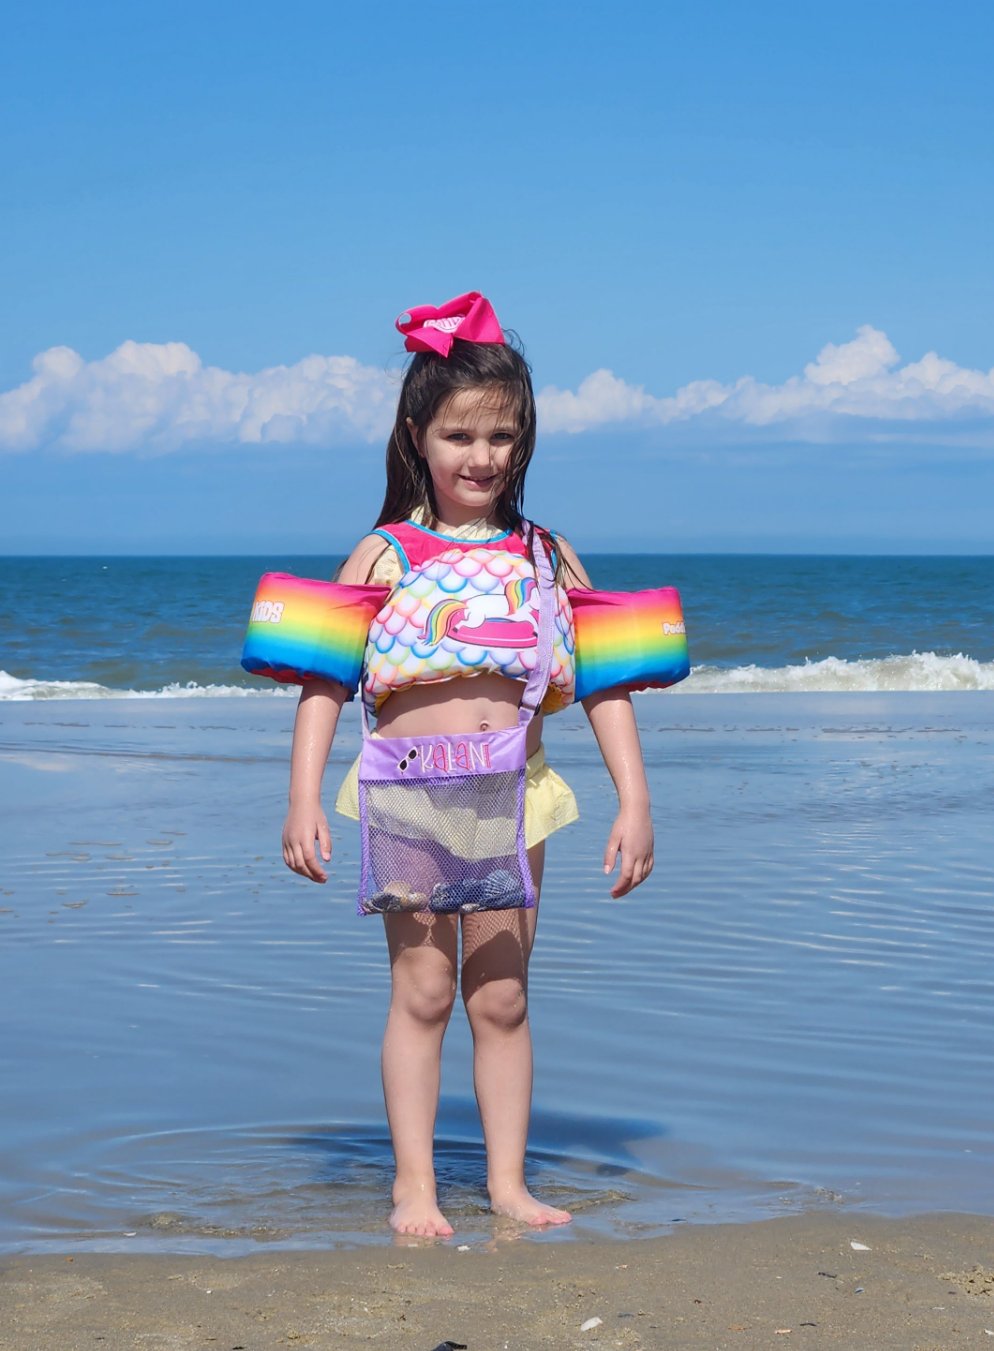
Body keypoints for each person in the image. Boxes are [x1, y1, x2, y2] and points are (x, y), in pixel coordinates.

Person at [281, 292, 654, 1238]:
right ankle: (413, 1184)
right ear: (417, 437)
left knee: (502, 994)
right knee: (424, 990)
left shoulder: (547, 556)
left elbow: (606, 687)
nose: (481, 455)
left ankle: (506, 1185)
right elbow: (321, 684)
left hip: (514, 793)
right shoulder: (384, 555)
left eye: (501, 434)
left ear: (523, 441)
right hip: (408, 794)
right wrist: (302, 800)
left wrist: (634, 800)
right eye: (459, 434)